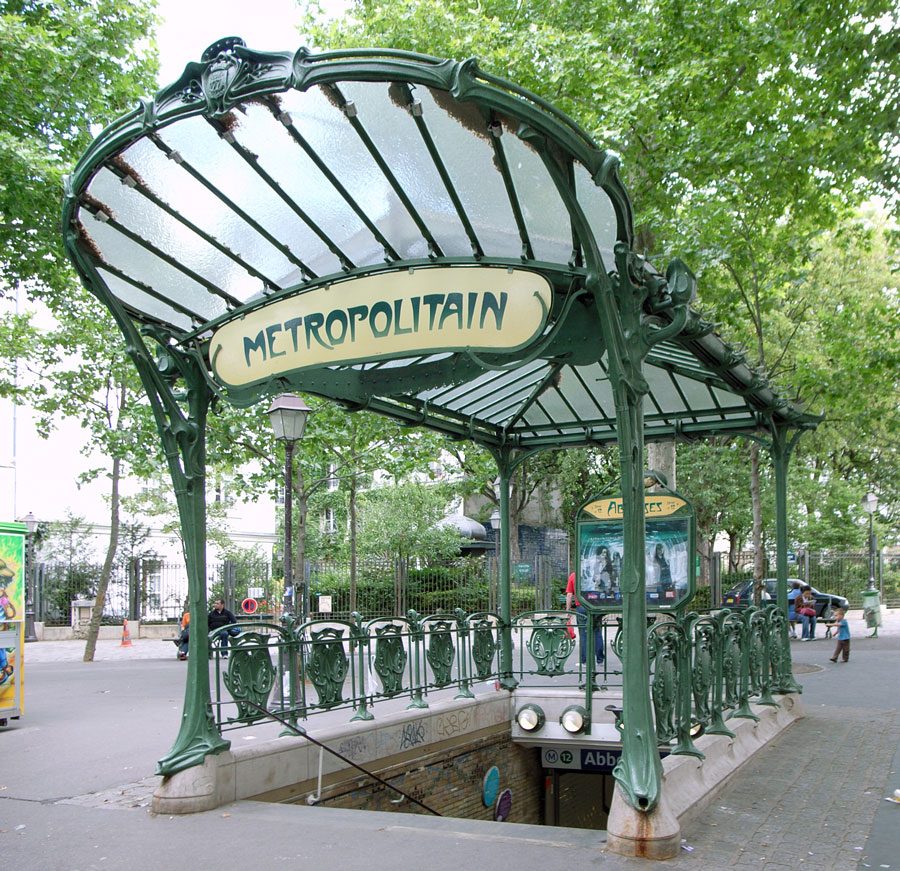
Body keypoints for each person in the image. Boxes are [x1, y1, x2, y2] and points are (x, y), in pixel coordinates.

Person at [566, 572, 604, 665]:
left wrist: (568, 610)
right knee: (597, 632)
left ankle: (585, 661)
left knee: (584, 634)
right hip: (595, 606)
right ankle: (600, 660)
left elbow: (569, 595)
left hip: (582, 607)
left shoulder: (574, 575)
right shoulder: (594, 573)